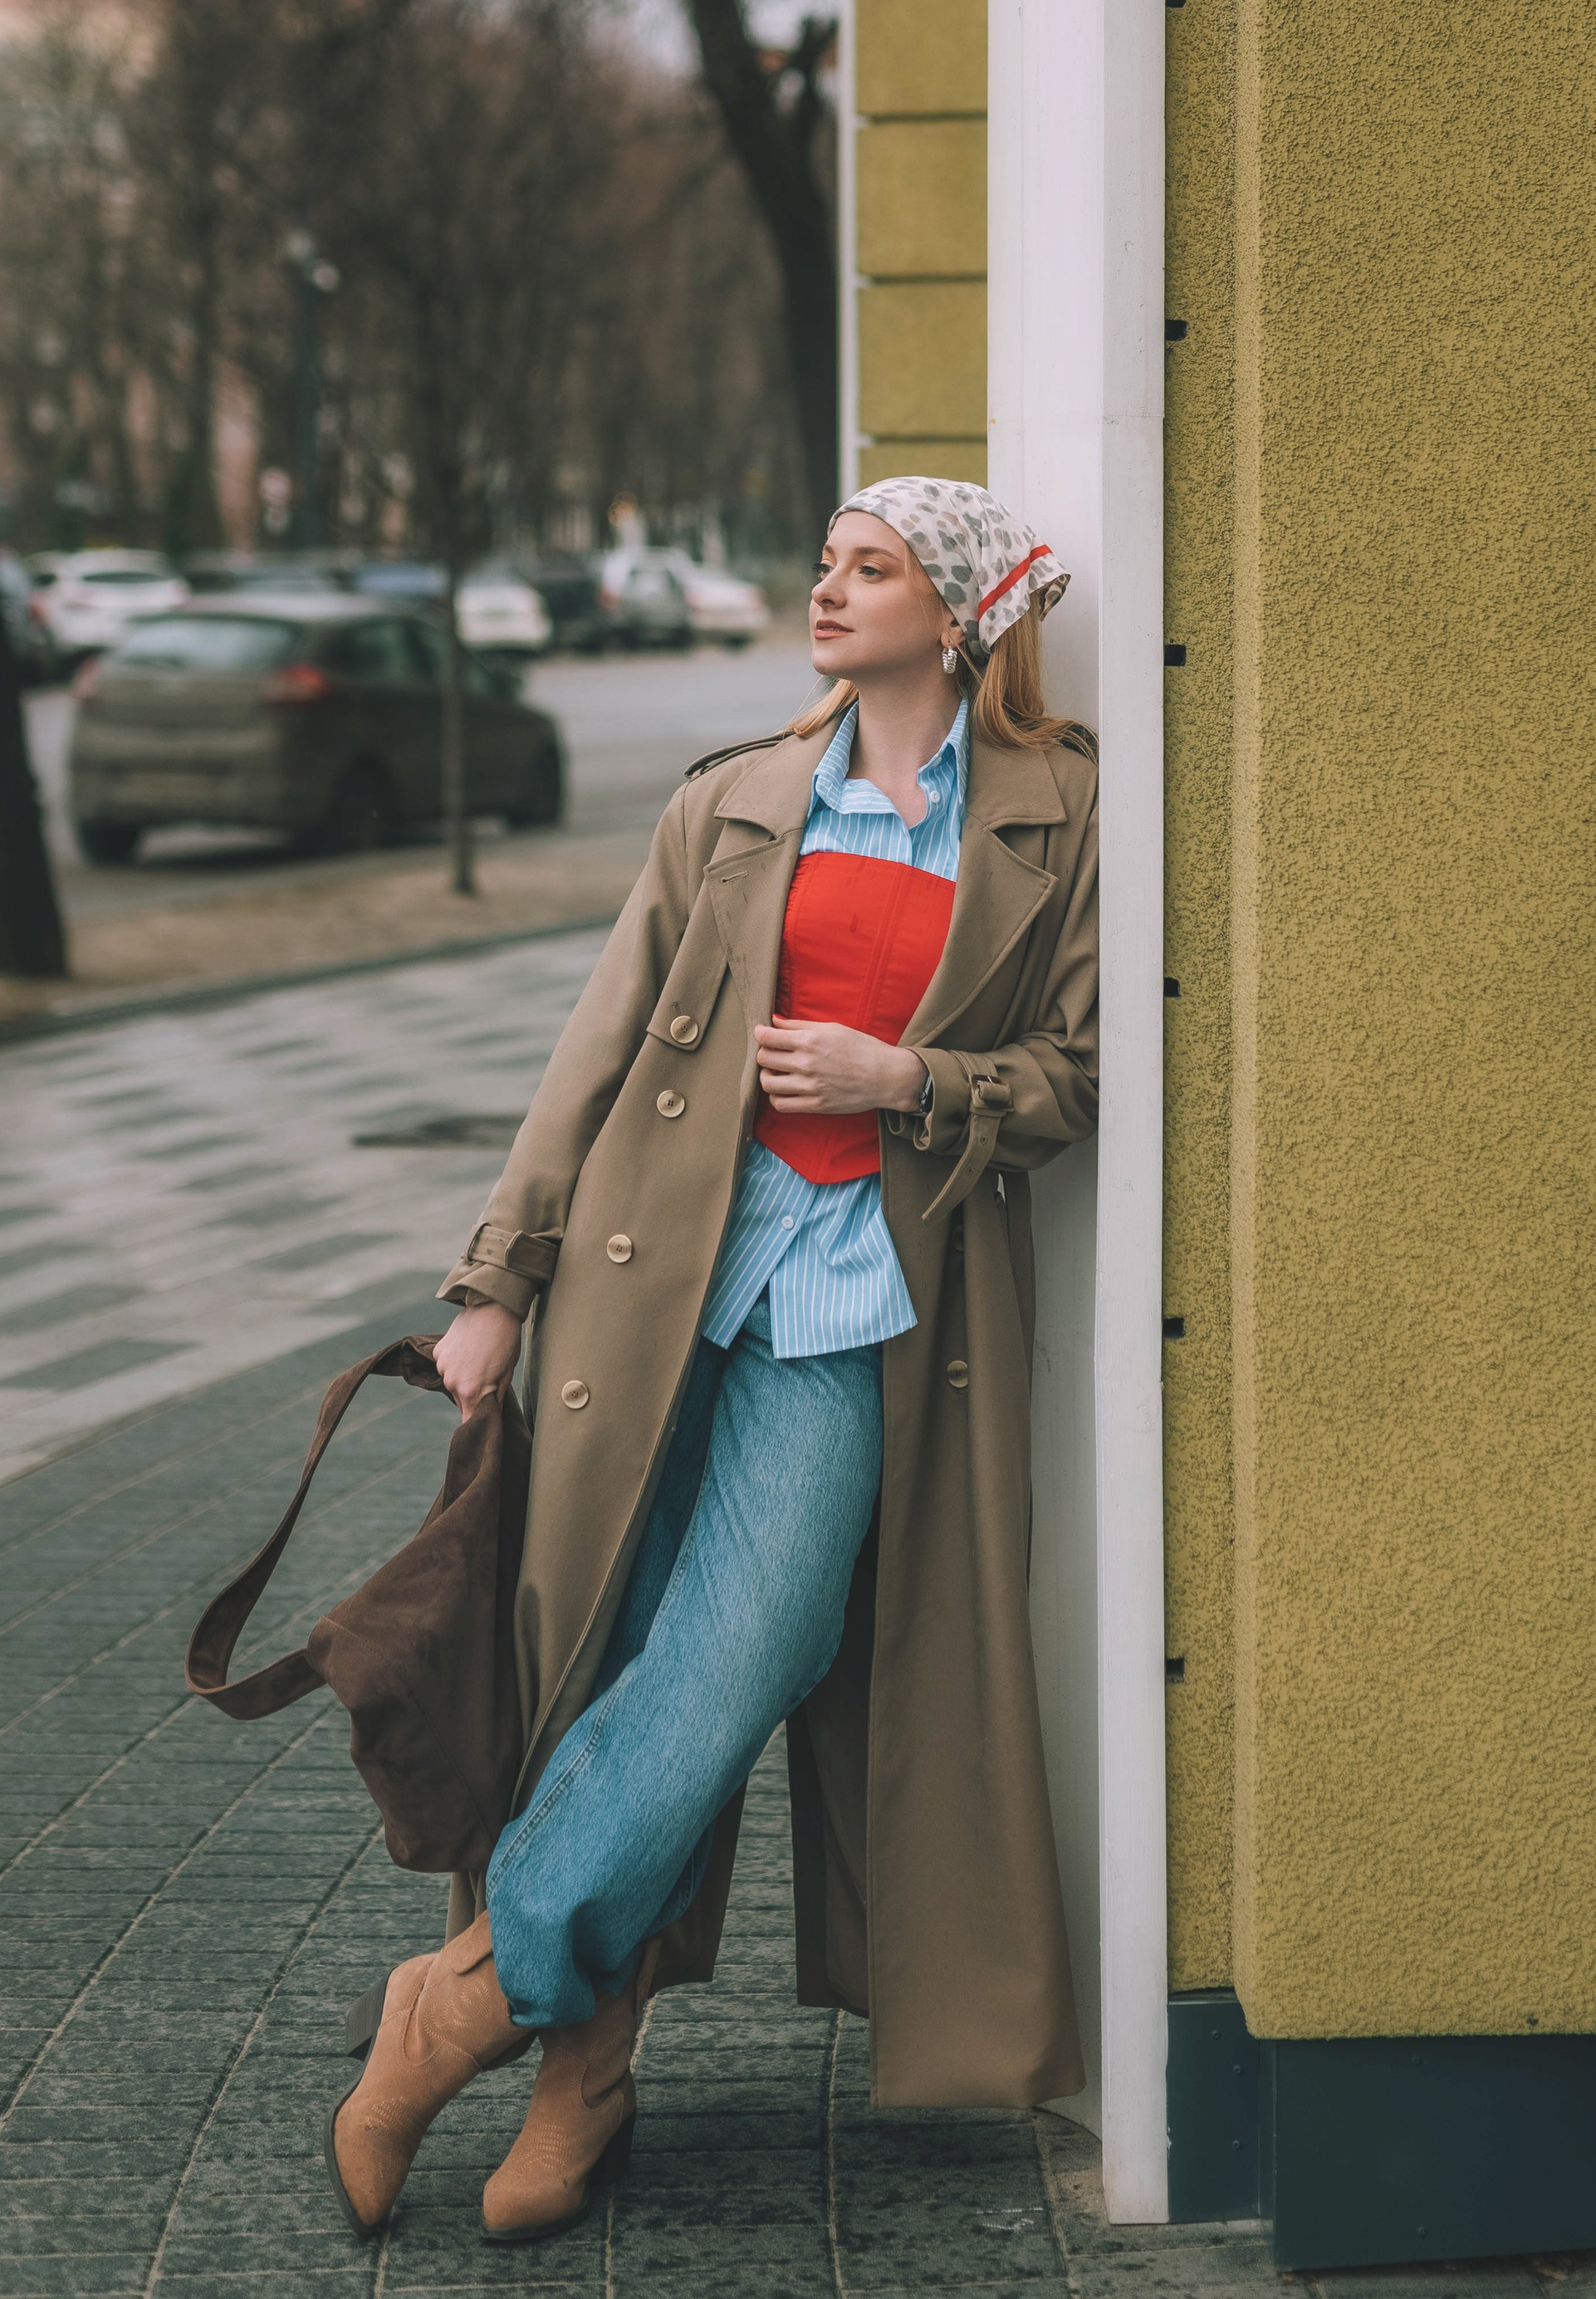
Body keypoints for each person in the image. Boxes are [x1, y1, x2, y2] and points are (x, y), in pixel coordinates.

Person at [326, 478, 1101, 2247]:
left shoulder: (1058, 813)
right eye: (824, 563)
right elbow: (594, 1047)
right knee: (593, 1667)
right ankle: (578, 2072)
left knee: (739, 1655)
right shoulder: (737, 799)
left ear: (963, 609)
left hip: (854, 1309)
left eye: (869, 567)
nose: (825, 591)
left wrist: (906, 1085)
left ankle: (456, 1995)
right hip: (644, 1292)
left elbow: (1072, 1073)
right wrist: (495, 1283)